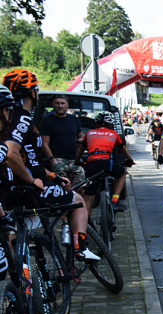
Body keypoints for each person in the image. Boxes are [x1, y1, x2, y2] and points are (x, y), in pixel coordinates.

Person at [1, 70, 98, 261]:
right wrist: (31, 180)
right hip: (29, 186)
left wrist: (52, 176)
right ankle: (81, 248)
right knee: (77, 201)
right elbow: (11, 153)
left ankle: (22, 275)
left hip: (13, 185)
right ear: (33, 93)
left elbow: (28, 159)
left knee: (17, 231)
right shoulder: (22, 118)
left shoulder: (9, 118)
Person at [74, 112, 134, 215]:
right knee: (122, 172)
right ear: (110, 124)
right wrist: (130, 160)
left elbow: (80, 150)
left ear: (97, 123)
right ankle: (114, 200)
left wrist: (77, 161)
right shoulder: (113, 134)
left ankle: (87, 224)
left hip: (92, 164)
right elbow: (123, 151)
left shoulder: (89, 133)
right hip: (107, 163)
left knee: (89, 197)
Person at [39, 94, 85, 187]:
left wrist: (79, 143)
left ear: (67, 105)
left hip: (74, 159)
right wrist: (52, 161)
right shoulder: (47, 121)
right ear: (53, 104)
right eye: (57, 103)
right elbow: (44, 143)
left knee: (81, 187)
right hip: (57, 159)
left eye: (62, 103)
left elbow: (81, 137)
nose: (60, 106)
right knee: (62, 187)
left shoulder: (74, 119)